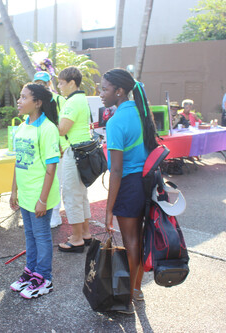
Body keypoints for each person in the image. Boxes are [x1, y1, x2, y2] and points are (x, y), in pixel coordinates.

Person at [100, 68, 159, 315]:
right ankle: (137, 290)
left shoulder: (115, 122)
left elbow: (116, 171)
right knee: (140, 237)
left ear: (119, 91)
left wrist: (108, 209)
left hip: (128, 185)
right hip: (147, 183)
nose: (101, 94)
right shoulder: (142, 112)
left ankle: (129, 296)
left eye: (104, 89)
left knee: (131, 240)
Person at [9, 83, 60, 299]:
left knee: (41, 236)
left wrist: (42, 200)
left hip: (41, 196)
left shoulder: (48, 128)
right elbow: (18, 162)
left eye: (23, 97)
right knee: (29, 235)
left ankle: (44, 278)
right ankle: (31, 272)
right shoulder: (22, 127)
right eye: (19, 97)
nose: (19, 101)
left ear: (37, 102)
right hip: (26, 195)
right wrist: (13, 192)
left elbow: (51, 167)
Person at [56, 66, 92, 253]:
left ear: (72, 83)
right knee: (80, 195)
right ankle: (84, 233)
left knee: (71, 195)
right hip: (83, 151)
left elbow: (62, 129)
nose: (59, 86)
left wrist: (47, 125)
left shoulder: (71, 103)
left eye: (61, 83)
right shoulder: (80, 99)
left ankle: (77, 238)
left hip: (74, 152)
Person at [33, 70, 66, 228]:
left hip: (56, 146)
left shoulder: (58, 99)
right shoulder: (33, 102)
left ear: (49, 84)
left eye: (43, 83)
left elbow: (62, 125)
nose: (41, 86)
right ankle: (43, 211)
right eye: (37, 83)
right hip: (38, 147)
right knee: (42, 180)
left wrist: (60, 144)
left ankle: (55, 215)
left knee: (55, 181)